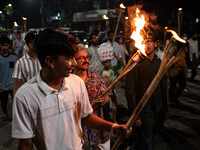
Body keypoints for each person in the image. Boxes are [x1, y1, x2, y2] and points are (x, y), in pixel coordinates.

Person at [12, 28, 131, 150]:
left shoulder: (76, 82)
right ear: (50, 61)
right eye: (69, 58)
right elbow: (26, 144)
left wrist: (114, 128)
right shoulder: (25, 97)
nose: (74, 63)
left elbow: (85, 117)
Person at [125, 32, 168, 150]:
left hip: (158, 109)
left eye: (149, 42)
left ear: (155, 44)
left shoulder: (159, 63)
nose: (146, 45)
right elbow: (130, 90)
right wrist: (135, 114)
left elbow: (163, 87)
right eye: (143, 42)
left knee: (151, 138)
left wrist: (165, 109)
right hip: (143, 110)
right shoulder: (136, 63)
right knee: (147, 141)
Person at [74, 44, 111, 150]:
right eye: (81, 58)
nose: (85, 60)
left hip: (98, 127)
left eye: (86, 57)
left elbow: (107, 96)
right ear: (73, 60)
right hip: (79, 128)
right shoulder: (69, 80)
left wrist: (103, 101)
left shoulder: (96, 77)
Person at [12, 31, 41, 95]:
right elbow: (16, 84)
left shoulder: (43, 60)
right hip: (27, 97)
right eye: (37, 42)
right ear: (30, 45)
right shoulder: (20, 63)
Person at [100, 52, 123, 122]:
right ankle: (106, 119)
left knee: (114, 106)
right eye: (107, 62)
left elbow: (120, 65)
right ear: (103, 64)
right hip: (105, 91)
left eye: (110, 62)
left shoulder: (112, 69)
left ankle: (114, 120)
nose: (109, 64)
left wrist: (116, 56)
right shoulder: (101, 71)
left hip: (112, 90)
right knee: (106, 106)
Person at [0, 35, 18, 123]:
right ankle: (5, 115)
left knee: (16, 102)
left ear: (9, 45)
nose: (4, 47)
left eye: (6, 45)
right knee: (4, 103)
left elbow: (18, 71)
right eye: (2, 45)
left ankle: (16, 116)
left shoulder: (14, 57)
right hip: (2, 86)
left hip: (13, 85)